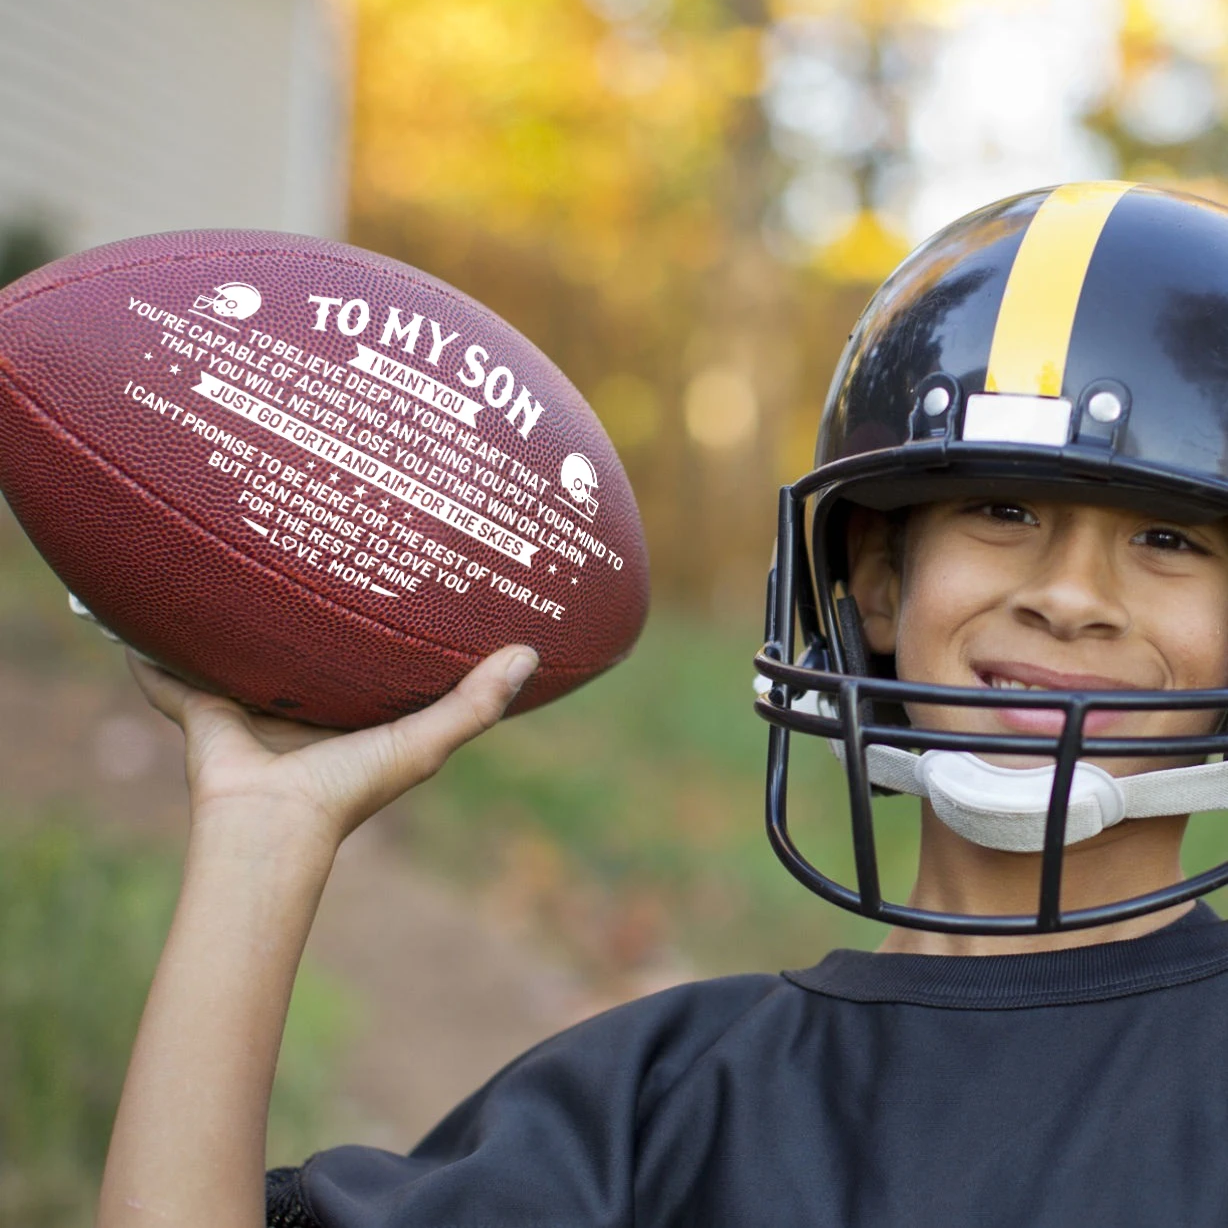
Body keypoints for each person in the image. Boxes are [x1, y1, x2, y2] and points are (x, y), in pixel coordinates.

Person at [98, 181, 1228, 1227]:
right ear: (878, 579)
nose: (1069, 596)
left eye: (1166, 538)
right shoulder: (660, 1104)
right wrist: (263, 838)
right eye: (1000, 511)